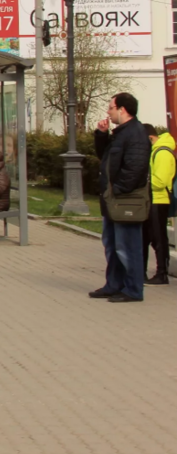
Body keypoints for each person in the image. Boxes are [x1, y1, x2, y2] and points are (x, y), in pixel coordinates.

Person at [90, 92, 150, 303]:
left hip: (126, 201)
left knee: (127, 246)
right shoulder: (121, 133)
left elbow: (136, 168)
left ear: (122, 109)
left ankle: (133, 289)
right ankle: (114, 284)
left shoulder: (136, 133)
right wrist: (101, 134)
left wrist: (118, 190)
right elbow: (105, 157)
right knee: (112, 244)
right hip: (113, 200)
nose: (108, 111)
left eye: (111, 107)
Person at [143, 123, 172, 285]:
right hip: (150, 199)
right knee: (147, 236)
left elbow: (160, 181)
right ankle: (143, 273)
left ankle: (162, 273)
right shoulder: (155, 151)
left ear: (150, 138)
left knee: (158, 237)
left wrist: (142, 182)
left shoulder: (162, 153)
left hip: (159, 200)